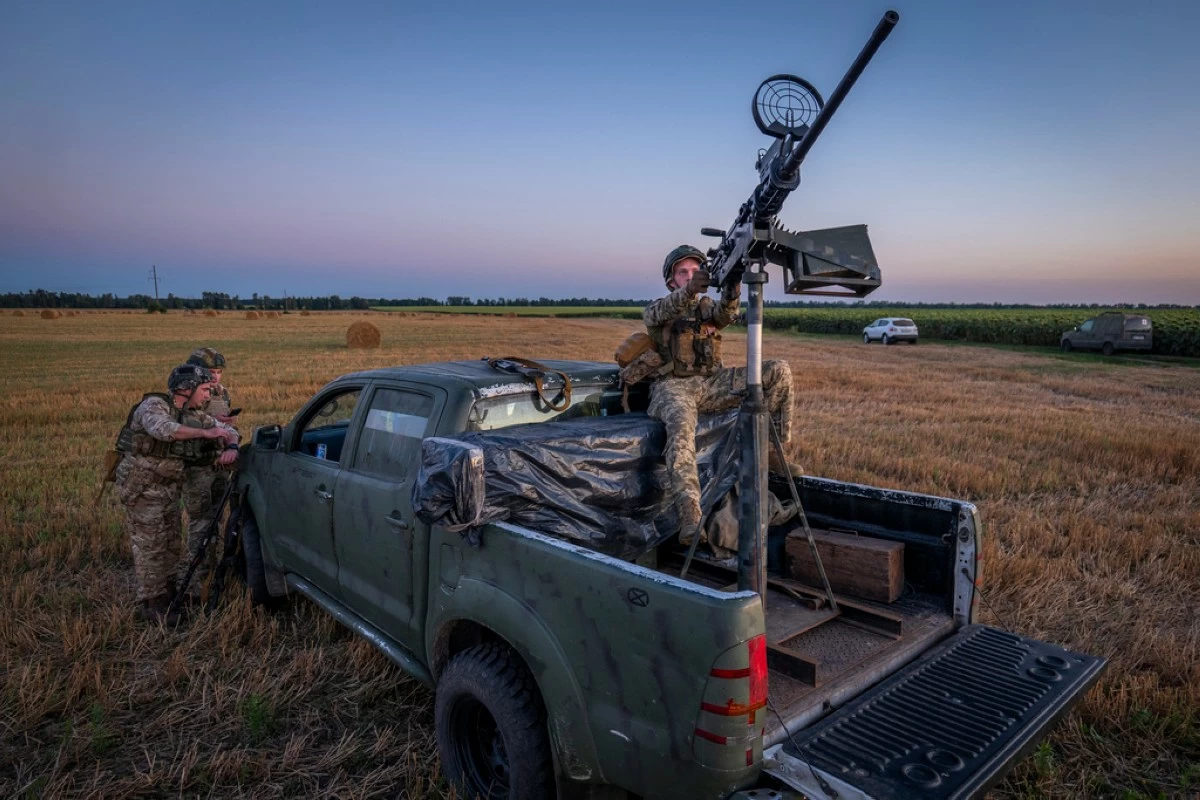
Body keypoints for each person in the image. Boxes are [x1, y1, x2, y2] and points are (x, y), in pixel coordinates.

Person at [643, 245, 797, 542]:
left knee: (779, 371)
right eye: (683, 272)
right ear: (671, 280)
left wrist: (732, 283)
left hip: (711, 383)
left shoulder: (706, 310)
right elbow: (661, 312)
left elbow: (726, 313)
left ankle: (773, 450)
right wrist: (689, 291)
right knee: (681, 428)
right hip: (672, 386)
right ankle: (690, 514)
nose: (690, 276)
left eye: (695, 271)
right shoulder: (658, 308)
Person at [114, 364, 239, 624]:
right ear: (185, 388)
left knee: (170, 541)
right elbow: (164, 429)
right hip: (142, 487)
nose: (208, 396)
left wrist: (232, 444)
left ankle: (168, 594)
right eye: (204, 390)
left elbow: (226, 430)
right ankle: (152, 604)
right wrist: (207, 433)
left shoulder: (191, 413)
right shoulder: (153, 406)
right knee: (151, 545)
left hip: (168, 487)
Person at [180, 347, 237, 603]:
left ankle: (215, 571)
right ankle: (199, 582)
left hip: (219, 466)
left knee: (217, 518)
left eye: (218, 372)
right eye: (210, 372)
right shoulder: (185, 393)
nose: (215, 377)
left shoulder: (223, 393)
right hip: (198, 467)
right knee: (201, 522)